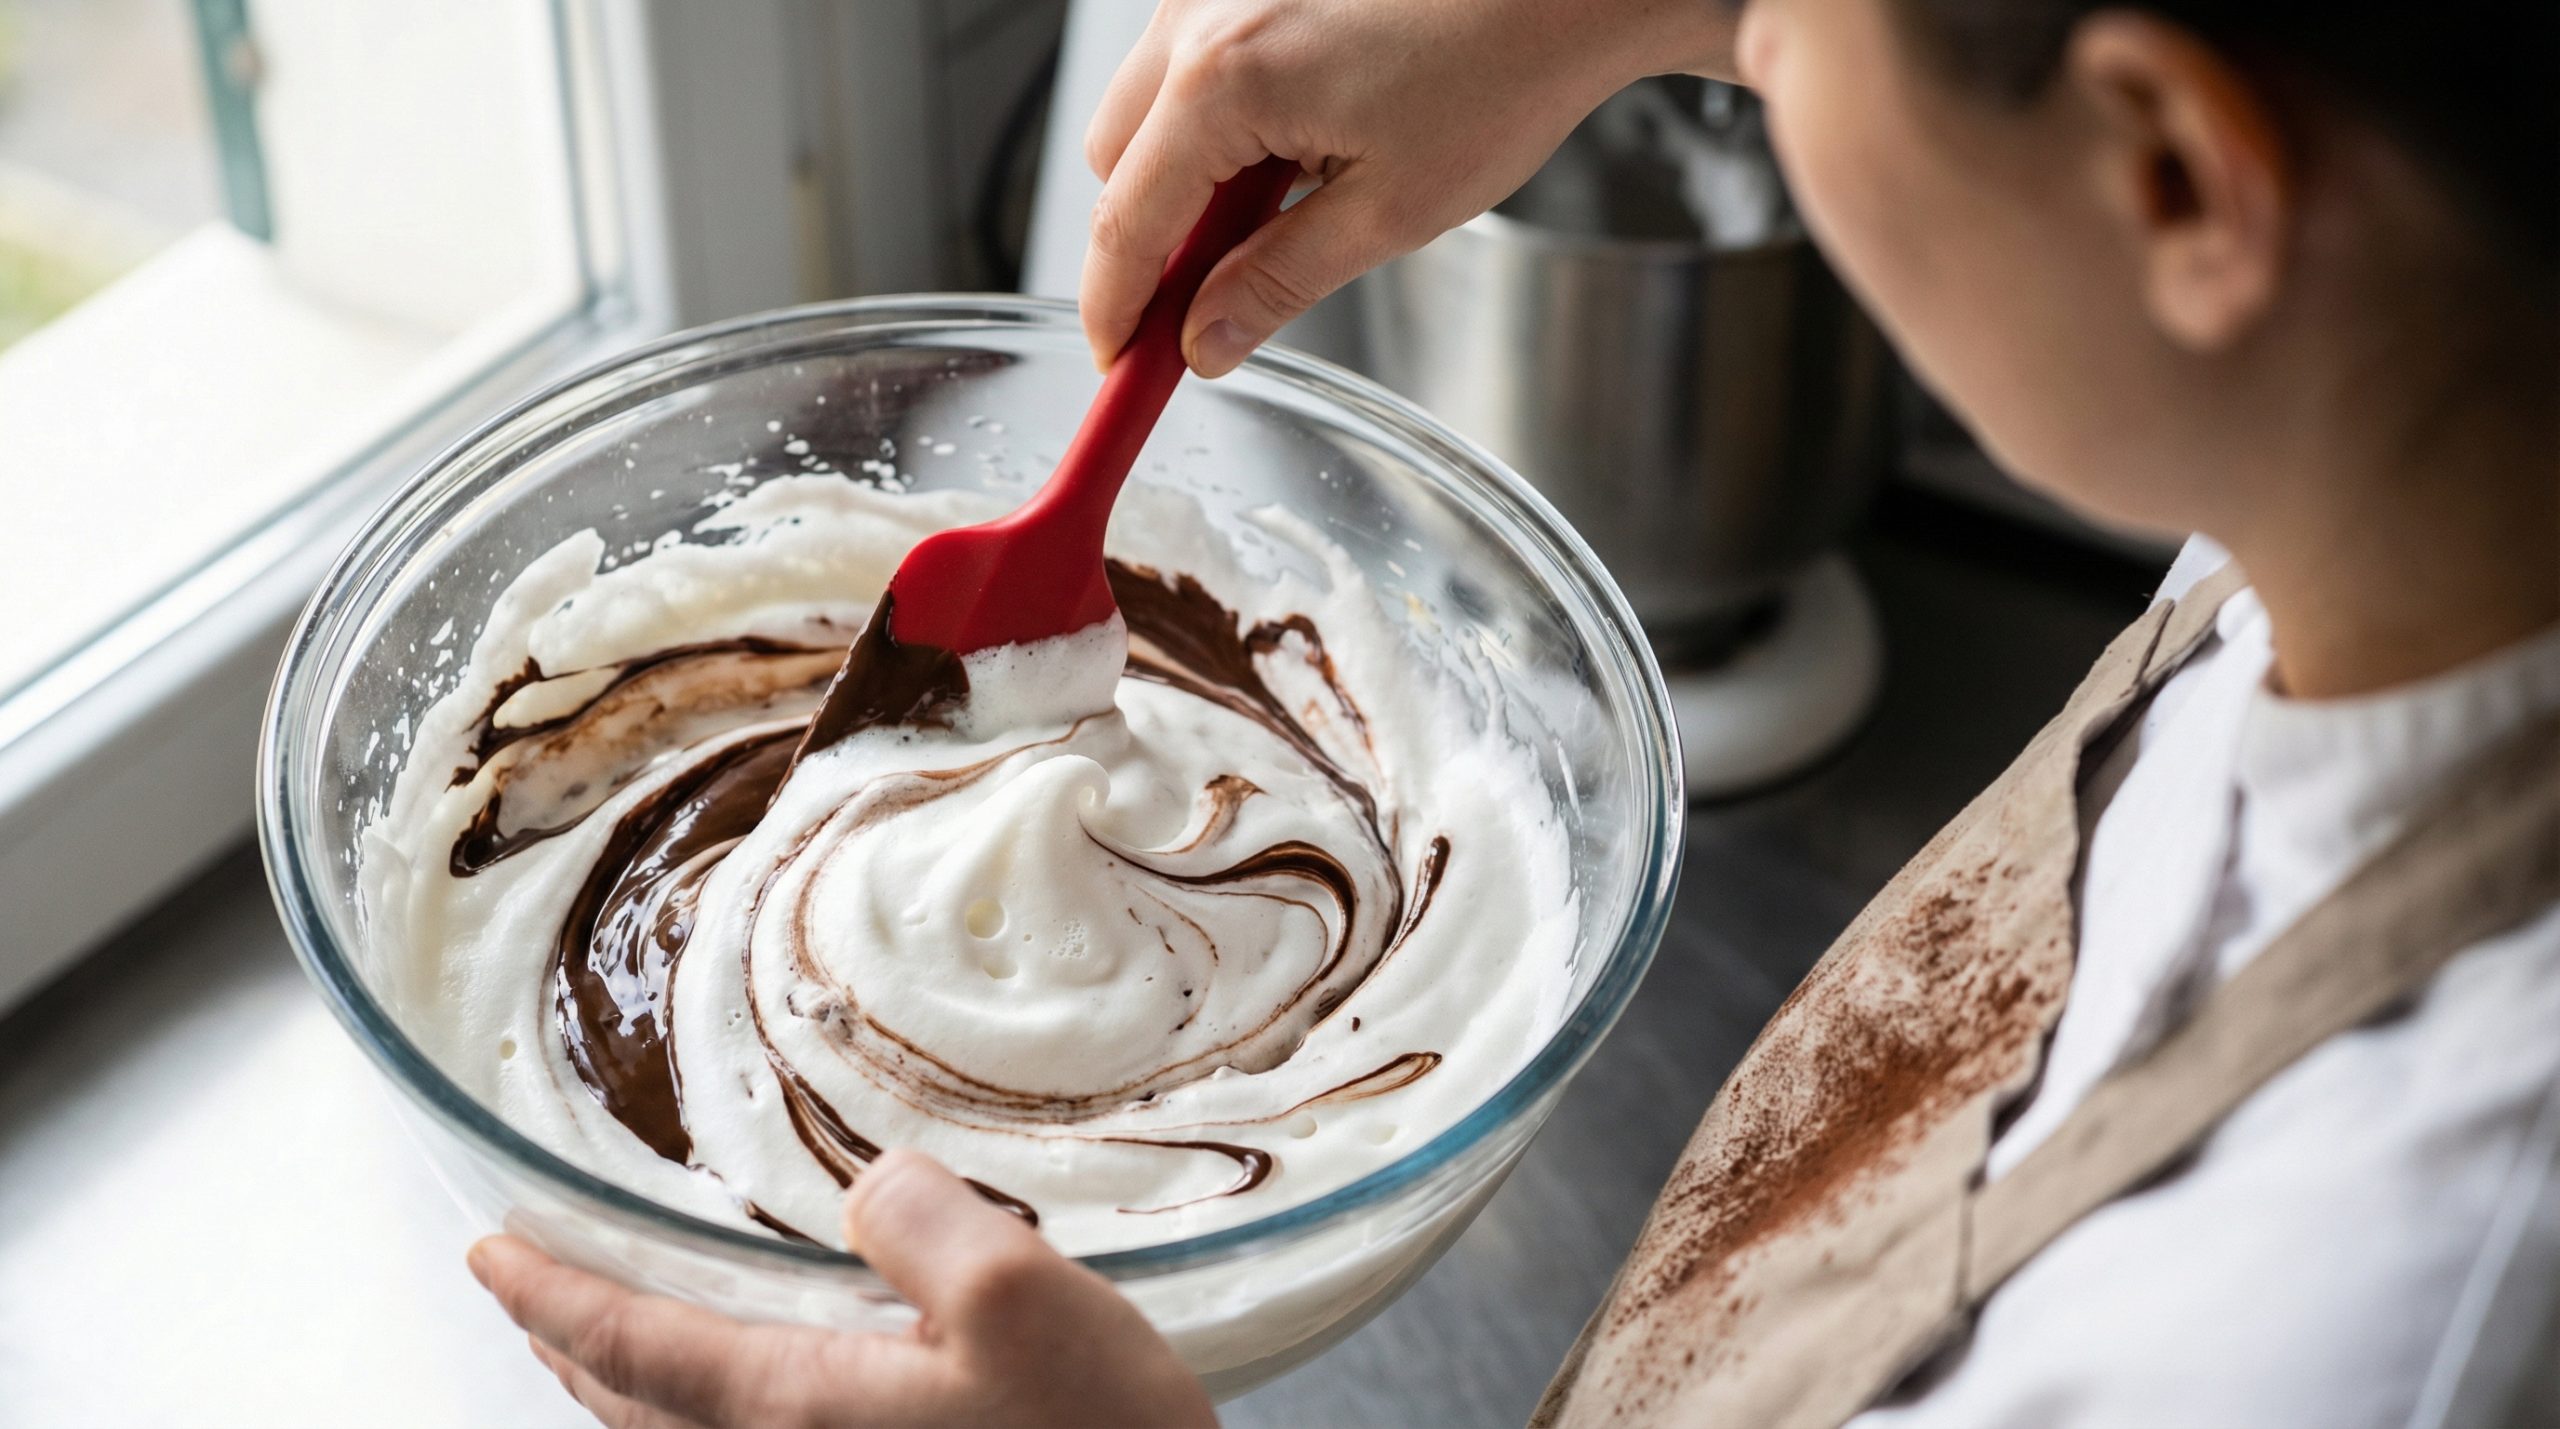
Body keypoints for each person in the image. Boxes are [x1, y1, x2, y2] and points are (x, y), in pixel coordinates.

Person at [468, 0, 2560, 1422]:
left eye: (1784, 31)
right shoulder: (2427, 468)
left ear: (2176, 177)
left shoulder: (2352, 1317)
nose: (1747, 41)